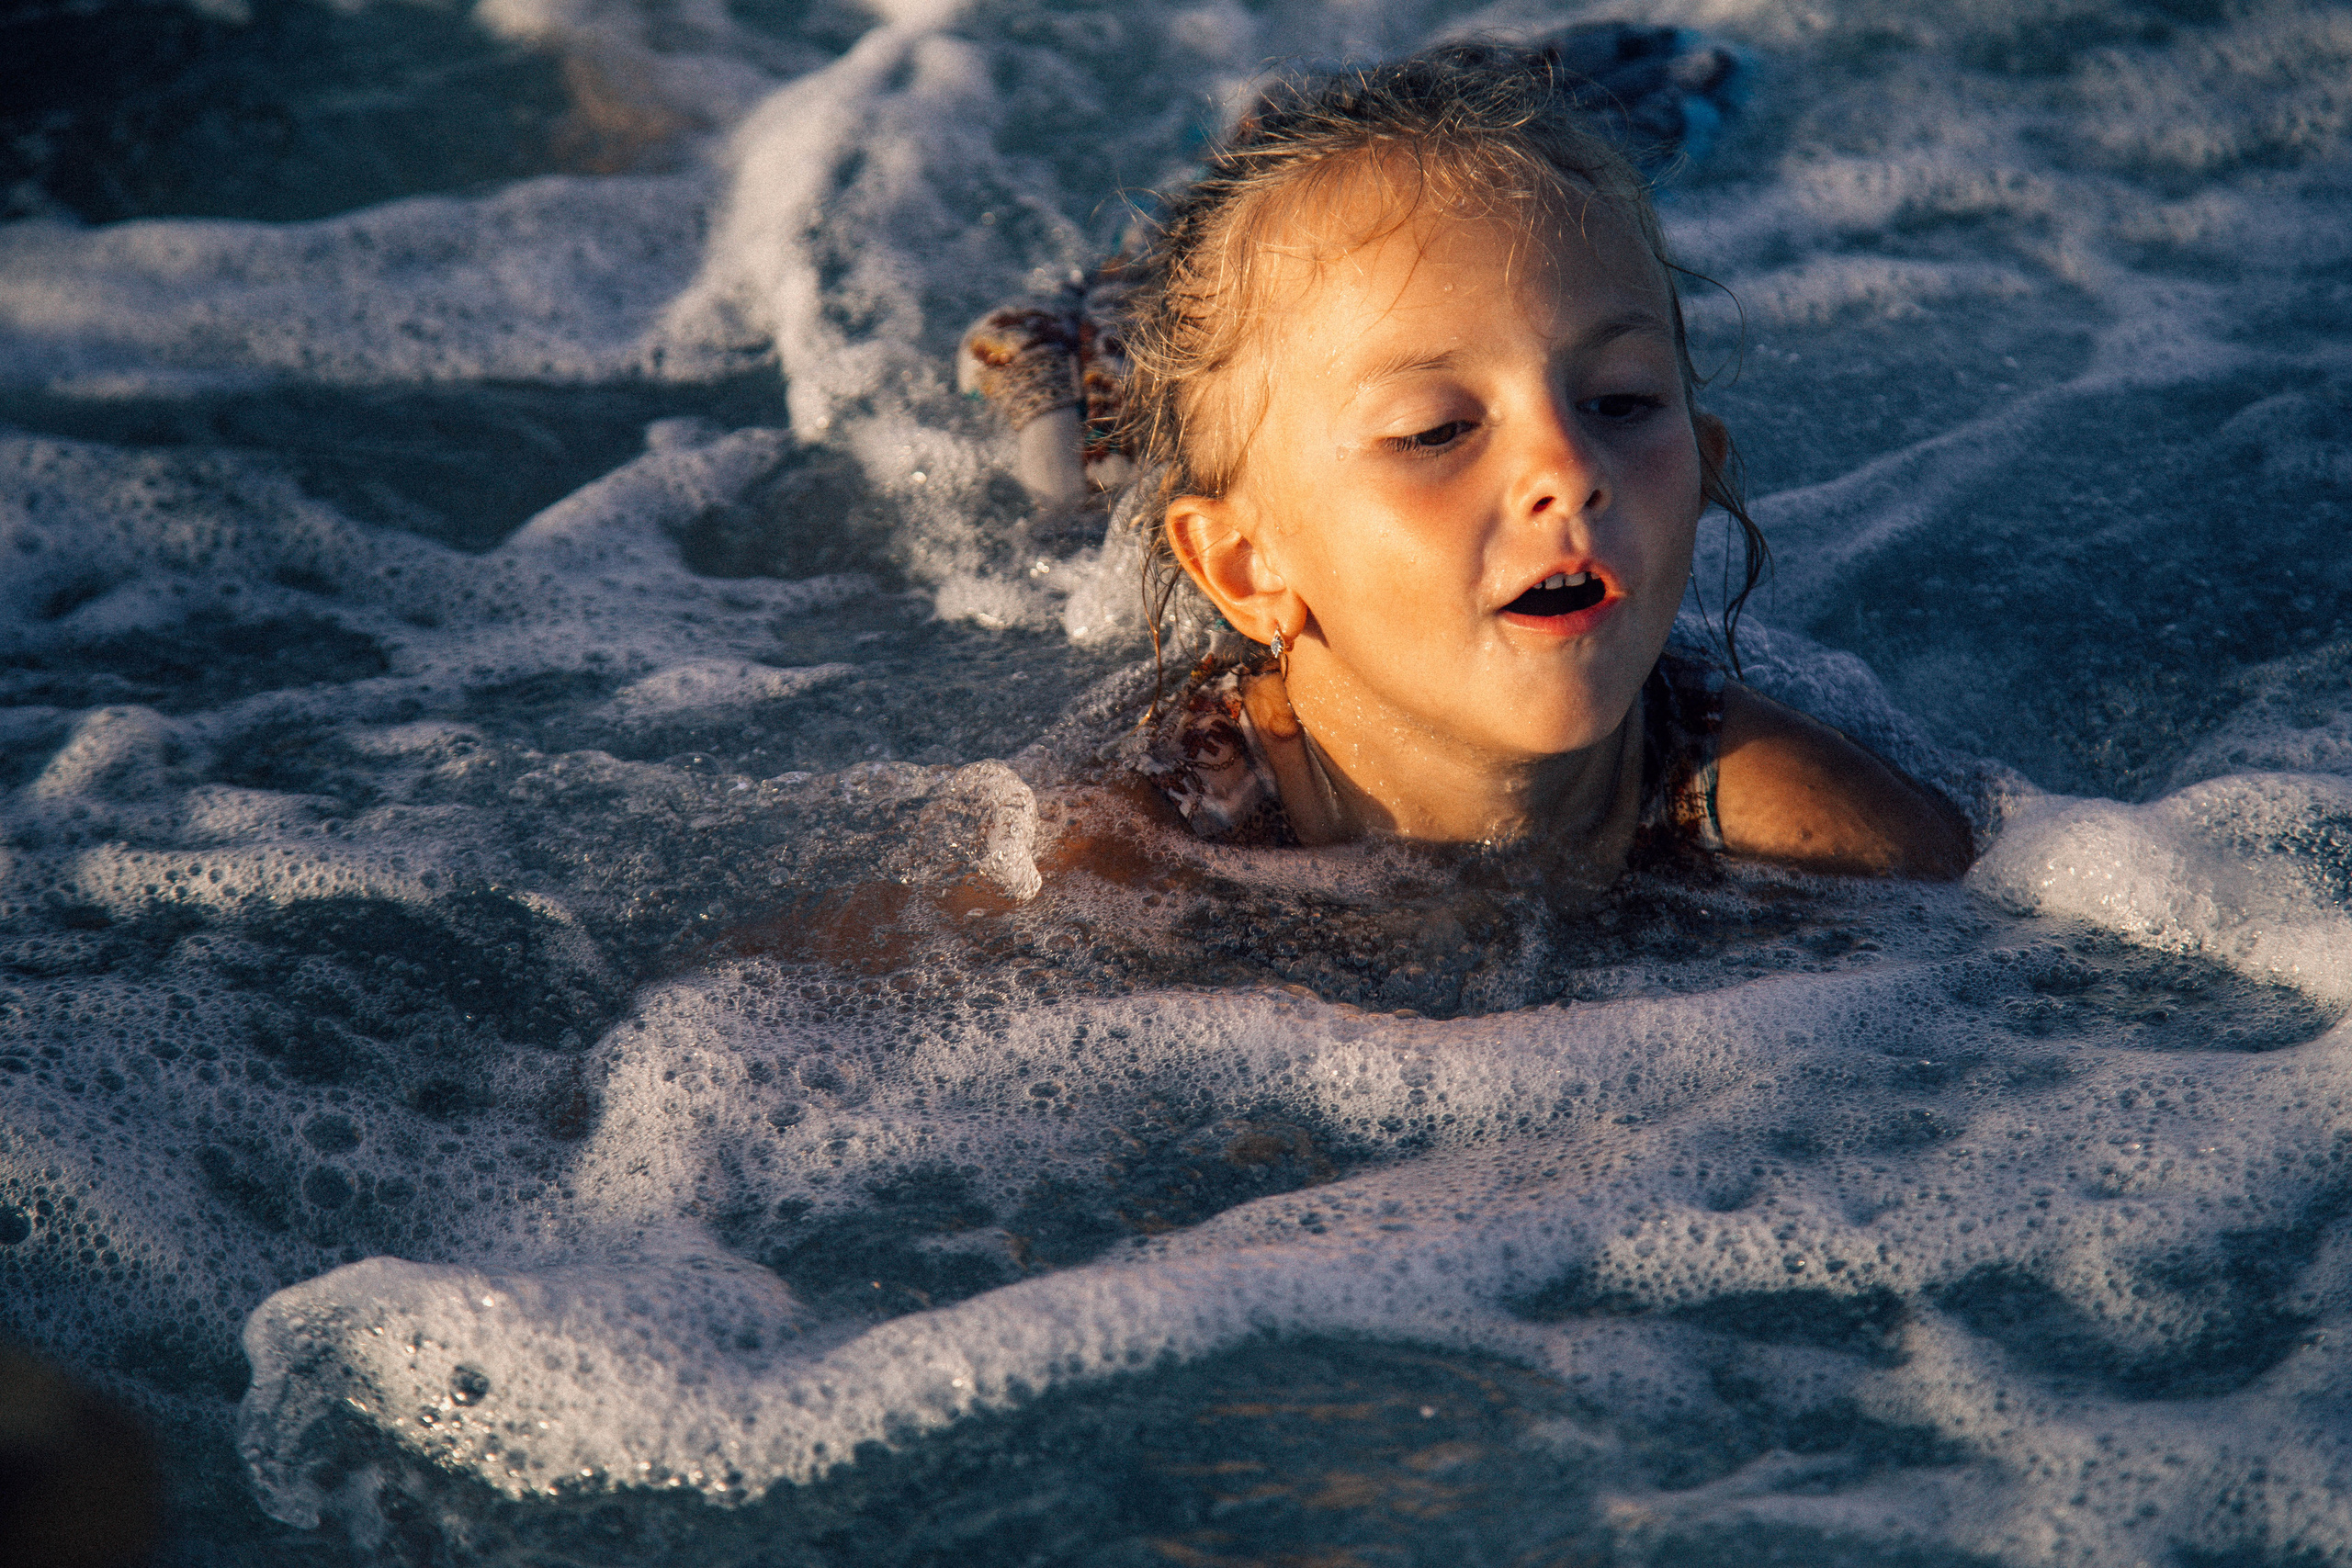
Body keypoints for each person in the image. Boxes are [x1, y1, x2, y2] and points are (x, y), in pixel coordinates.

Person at [959, 36, 1972, 905]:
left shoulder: (1803, 816)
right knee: (1078, 466)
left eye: (1619, 402)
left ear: (1704, 471)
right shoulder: (1133, 847)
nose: (1568, 469)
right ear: (1245, 568)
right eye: (1435, 430)